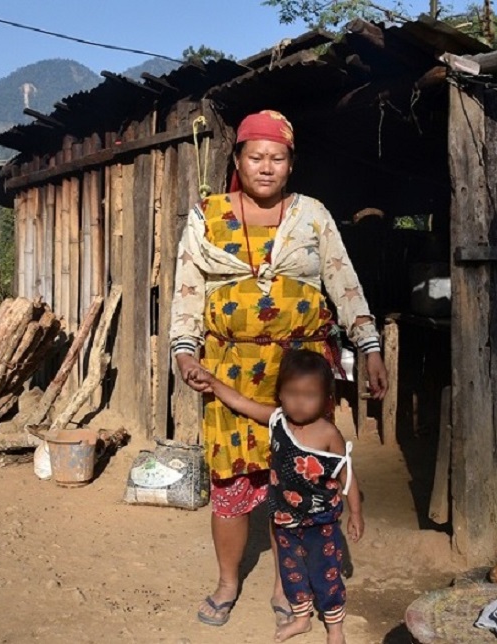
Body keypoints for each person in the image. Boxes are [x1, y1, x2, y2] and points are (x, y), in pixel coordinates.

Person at [169, 109, 387, 628]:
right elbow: (187, 287)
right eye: (256, 156)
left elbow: (343, 280)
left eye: (278, 158)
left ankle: (285, 582)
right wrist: (184, 348)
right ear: (238, 159)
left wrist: (369, 344)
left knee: (295, 481)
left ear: (291, 164)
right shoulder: (207, 215)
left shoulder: (312, 215)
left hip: (301, 376)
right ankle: (227, 582)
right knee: (231, 483)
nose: (266, 167)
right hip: (229, 373)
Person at [191, 349, 362, 644]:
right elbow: (243, 404)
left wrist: (356, 513)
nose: (299, 400)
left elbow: (347, 476)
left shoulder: (328, 433)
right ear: (280, 393)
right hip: (284, 520)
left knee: (327, 576)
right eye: (292, 392)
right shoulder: (277, 421)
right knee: (292, 573)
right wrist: (214, 384)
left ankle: (336, 631)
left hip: (319, 523)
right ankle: (301, 619)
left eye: (309, 394)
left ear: (325, 398)